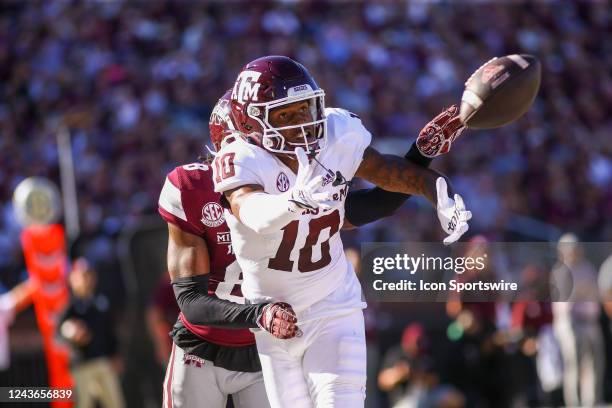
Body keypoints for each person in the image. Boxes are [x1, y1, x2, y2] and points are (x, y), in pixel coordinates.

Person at [158, 88, 466, 408]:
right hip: (207, 343)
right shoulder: (194, 189)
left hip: (265, 345)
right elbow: (191, 301)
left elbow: (377, 202)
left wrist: (422, 153)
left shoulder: (298, 180)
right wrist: (259, 314)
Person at [58, 258, 125, 408]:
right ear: (72, 279)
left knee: (115, 402)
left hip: (103, 362)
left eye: (89, 274)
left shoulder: (101, 302)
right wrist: (71, 332)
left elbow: (110, 331)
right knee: (84, 403)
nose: (86, 279)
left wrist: (115, 353)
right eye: (82, 275)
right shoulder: (70, 306)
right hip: (82, 366)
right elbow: (59, 333)